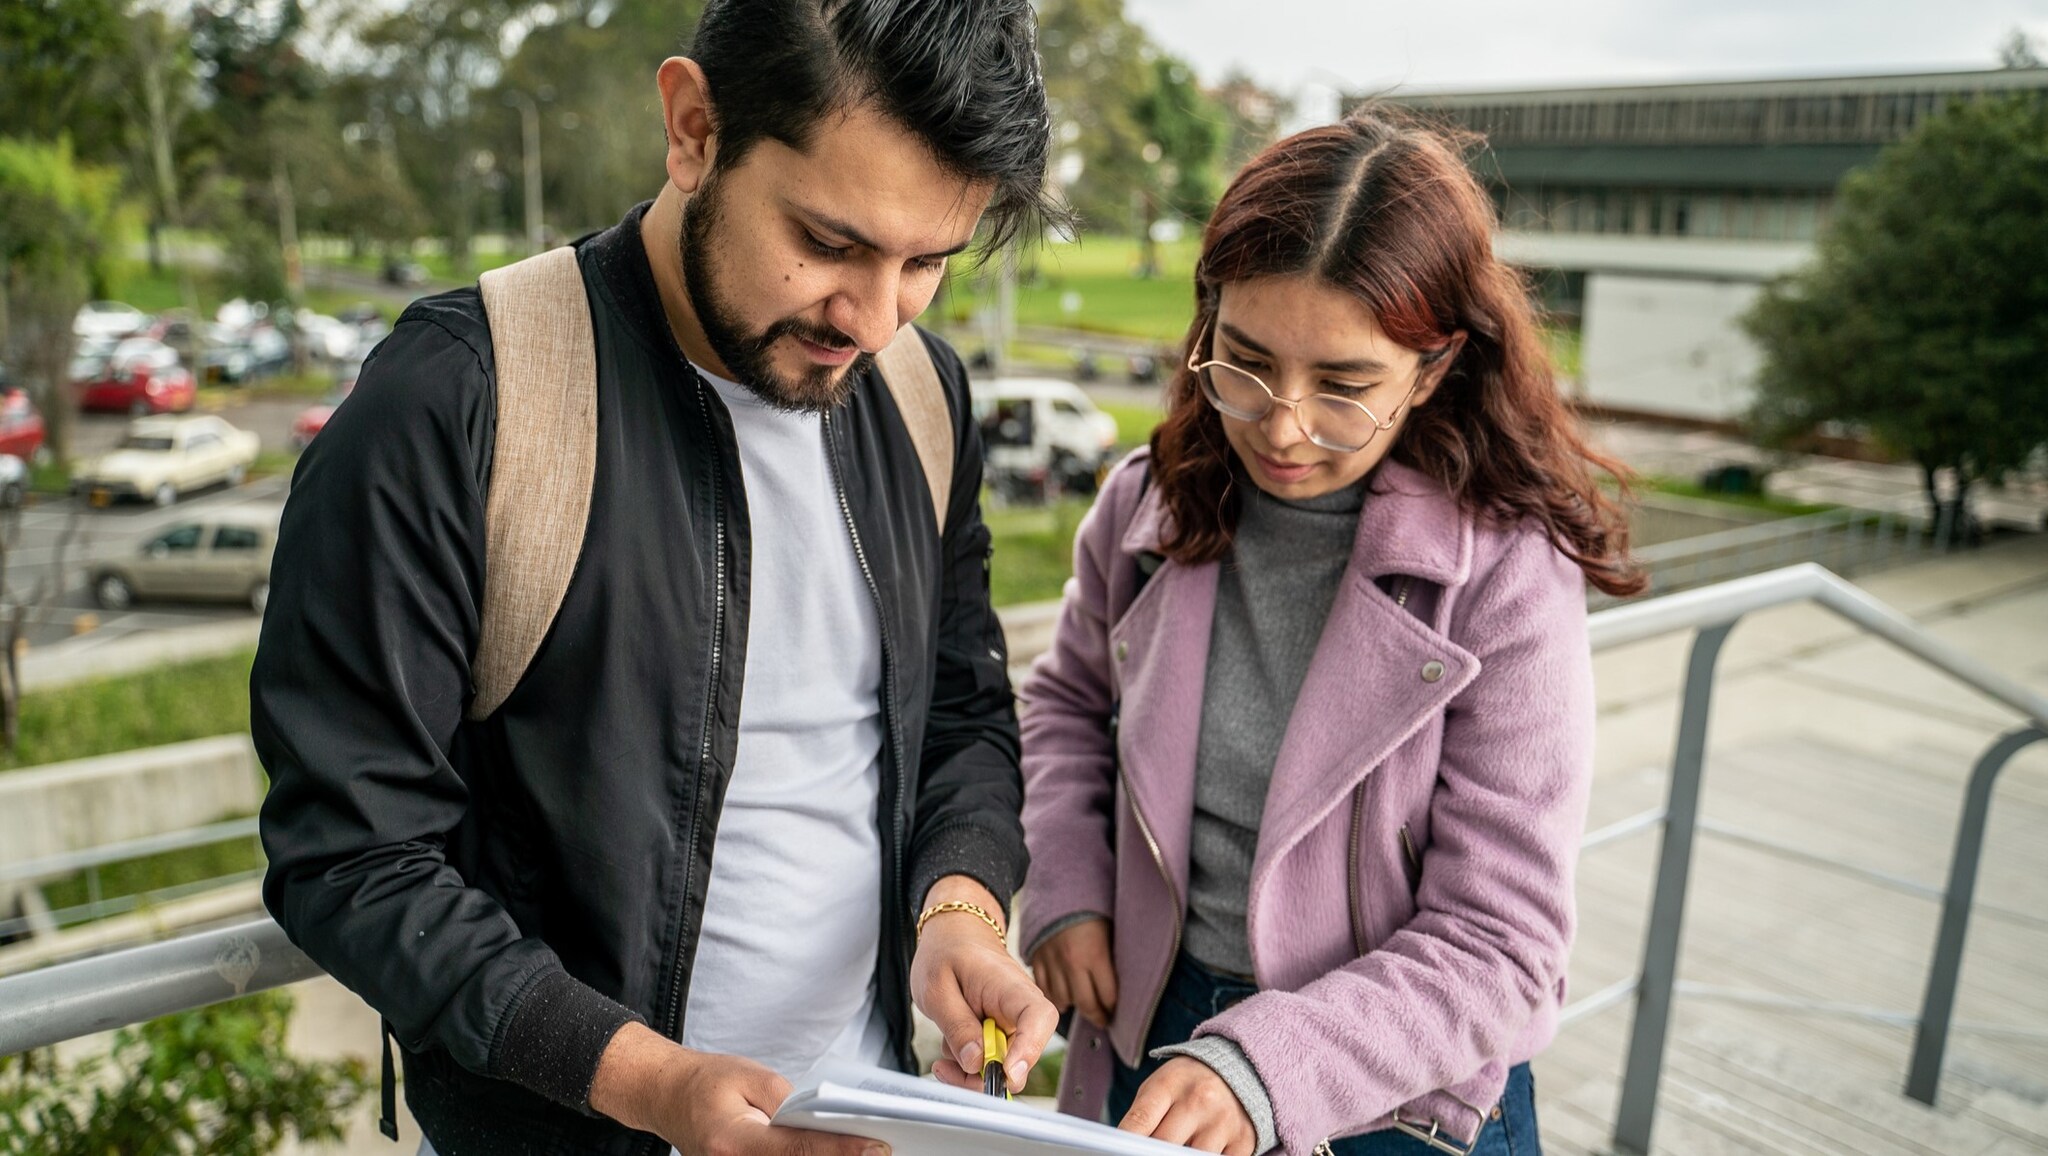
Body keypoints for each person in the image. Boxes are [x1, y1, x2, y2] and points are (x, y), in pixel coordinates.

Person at [252, 3, 1063, 1154]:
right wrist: (647, 1085)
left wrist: (963, 909)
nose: (874, 319)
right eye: (830, 243)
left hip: (879, 1116)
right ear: (692, 128)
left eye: (925, 262)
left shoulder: (923, 398)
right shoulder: (450, 404)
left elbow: (964, 718)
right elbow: (353, 855)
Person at [1017, 109, 1644, 1156]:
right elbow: (1065, 707)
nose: (1281, 425)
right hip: (1144, 1033)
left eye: (1344, 387)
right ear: (1204, 318)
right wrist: (1067, 880)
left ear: (1431, 369)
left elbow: (1503, 945)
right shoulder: (1144, 505)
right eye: (1245, 362)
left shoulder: (1505, 578)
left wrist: (1266, 1065)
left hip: (1395, 1092)